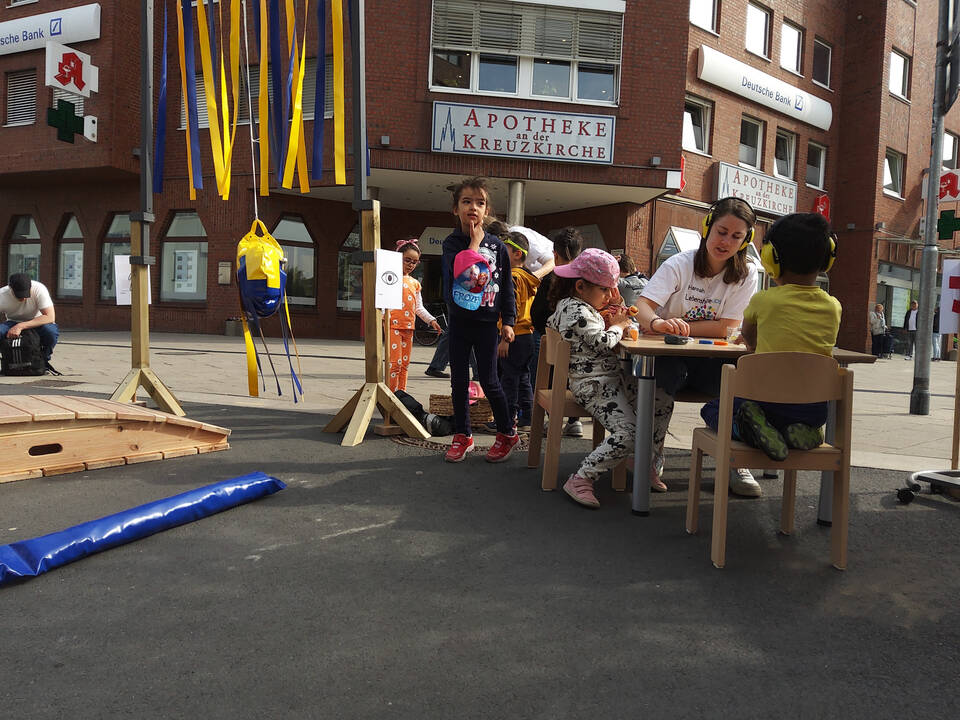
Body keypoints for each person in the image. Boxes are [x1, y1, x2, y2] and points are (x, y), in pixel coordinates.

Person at [633, 197, 761, 497]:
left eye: (736, 236)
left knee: (738, 380)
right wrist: (657, 324)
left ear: (746, 240)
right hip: (667, 354)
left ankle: (736, 460)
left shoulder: (747, 273)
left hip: (710, 359)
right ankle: (650, 453)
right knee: (660, 378)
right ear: (707, 228)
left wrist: (679, 324)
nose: (726, 241)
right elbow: (642, 306)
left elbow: (728, 327)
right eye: (721, 231)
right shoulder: (679, 263)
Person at [700, 213, 841, 461]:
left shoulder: (763, 301)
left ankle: (748, 432)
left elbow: (749, 340)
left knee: (712, 409)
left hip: (766, 404)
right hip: (813, 409)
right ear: (827, 260)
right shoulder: (834, 307)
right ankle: (807, 433)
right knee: (804, 421)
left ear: (769, 258)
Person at [547, 249, 652, 507]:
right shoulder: (577, 311)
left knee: (657, 400)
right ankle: (582, 477)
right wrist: (618, 326)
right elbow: (602, 342)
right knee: (631, 431)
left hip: (602, 380)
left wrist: (613, 320)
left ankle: (642, 461)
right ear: (581, 286)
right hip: (594, 385)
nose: (609, 296)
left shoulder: (572, 306)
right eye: (605, 290)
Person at [441, 177, 519, 463]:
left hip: (487, 324)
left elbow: (507, 286)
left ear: (487, 210)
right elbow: (462, 279)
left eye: (480, 202)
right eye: (466, 202)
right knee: (459, 382)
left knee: (490, 381)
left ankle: (507, 434)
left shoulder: (498, 246)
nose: (473, 207)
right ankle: (463, 435)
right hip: (460, 323)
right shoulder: (452, 244)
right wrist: (473, 244)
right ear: (456, 209)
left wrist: (508, 321)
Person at [529, 227, 586, 437]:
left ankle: (551, 416)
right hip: (583, 354)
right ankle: (574, 421)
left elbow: (537, 315)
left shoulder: (551, 279)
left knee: (548, 367)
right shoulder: (587, 281)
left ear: (554, 254)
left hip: (553, 345)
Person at [493, 231, 539, 432]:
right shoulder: (528, 277)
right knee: (522, 378)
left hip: (513, 335)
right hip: (527, 334)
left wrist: (504, 338)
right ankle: (528, 417)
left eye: (505, 250)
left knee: (508, 378)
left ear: (517, 254)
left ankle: (507, 418)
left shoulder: (511, 277)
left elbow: (511, 309)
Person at [387, 239, 442, 392]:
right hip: (393, 325)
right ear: (398, 257)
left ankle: (401, 394)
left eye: (415, 262)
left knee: (404, 364)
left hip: (408, 327)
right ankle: (391, 393)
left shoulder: (415, 283)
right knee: (394, 363)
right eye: (407, 260)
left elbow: (418, 307)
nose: (411, 264)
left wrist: (431, 320)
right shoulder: (390, 278)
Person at [0, 273, 59, 365]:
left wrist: (20, 326)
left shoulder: (39, 289)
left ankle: (43, 361)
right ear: (10, 288)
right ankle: (8, 359)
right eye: (19, 295)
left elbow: (50, 317)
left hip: (37, 321)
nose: (23, 298)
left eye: (25, 294)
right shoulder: (2, 295)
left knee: (50, 332)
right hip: (12, 321)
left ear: (30, 287)